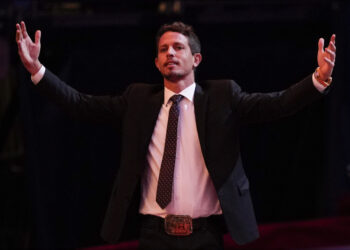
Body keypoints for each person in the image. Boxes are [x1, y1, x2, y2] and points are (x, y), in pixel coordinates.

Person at [16, 21, 336, 250]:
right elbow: (80, 104)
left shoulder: (223, 96)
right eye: (163, 49)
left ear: (195, 59)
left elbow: (277, 104)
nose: (170, 53)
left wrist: (317, 80)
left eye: (178, 47)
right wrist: (37, 71)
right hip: (154, 233)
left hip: (205, 233)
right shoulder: (138, 99)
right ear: (157, 62)